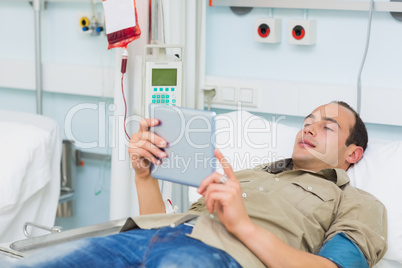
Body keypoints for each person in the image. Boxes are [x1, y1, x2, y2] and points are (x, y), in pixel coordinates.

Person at [11, 101, 387, 268]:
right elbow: (163, 220)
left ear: (353, 154)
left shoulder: (357, 202)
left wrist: (242, 226)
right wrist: (145, 176)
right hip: (144, 237)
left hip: (217, 257)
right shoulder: (250, 175)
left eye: (327, 127)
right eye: (308, 119)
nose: (309, 127)